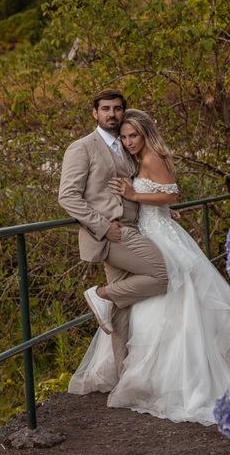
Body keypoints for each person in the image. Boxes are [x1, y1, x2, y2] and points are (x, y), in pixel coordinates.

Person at [68, 108, 230, 425]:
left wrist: (139, 196)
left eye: (134, 135)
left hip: (159, 235)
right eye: (124, 136)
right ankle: (136, 373)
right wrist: (148, 203)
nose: (129, 141)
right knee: (149, 296)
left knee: (174, 287)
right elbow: (156, 196)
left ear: (145, 134)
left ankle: (166, 375)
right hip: (145, 230)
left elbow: (172, 192)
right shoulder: (134, 160)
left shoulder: (152, 157)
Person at [58, 90, 168, 384]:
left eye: (117, 109)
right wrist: (105, 227)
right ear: (94, 113)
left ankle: (124, 381)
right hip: (111, 235)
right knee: (160, 275)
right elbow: (67, 197)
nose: (112, 114)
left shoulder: (126, 144)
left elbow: (137, 187)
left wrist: (161, 208)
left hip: (135, 227)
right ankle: (99, 294)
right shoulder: (82, 148)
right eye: (105, 109)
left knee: (121, 309)